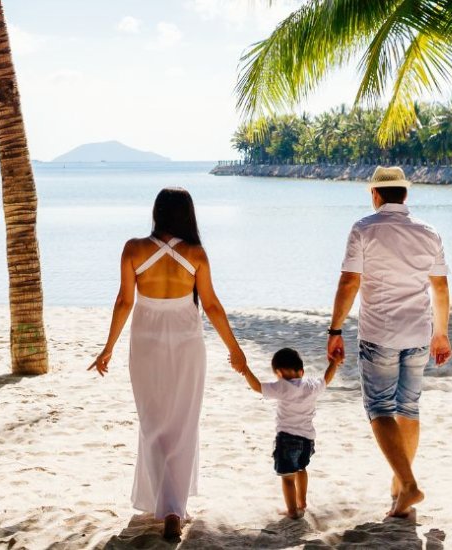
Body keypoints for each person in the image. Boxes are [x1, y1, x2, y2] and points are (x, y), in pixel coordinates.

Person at [90, 187, 248, 543]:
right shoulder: (196, 254)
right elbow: (212, 306)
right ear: (187, 215)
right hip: (187, 343)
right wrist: (235, 349)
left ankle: (168, 504)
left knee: (152, 422)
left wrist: (108, 347)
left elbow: (124, 302)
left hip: (145, 343)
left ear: (157, 212)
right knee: (183, 422)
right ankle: (173, 509)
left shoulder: (133, 249)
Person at [324, 167, 452, 519]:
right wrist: (441, 333)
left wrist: (335, 330)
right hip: (418, 334)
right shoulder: (429, 232)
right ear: (405, 195)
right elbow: (440, 288)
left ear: (375, 194)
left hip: (379, 334)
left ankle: (408, 484)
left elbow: (349, 282)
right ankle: (400, 487)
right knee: (408, 408)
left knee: (379, 408)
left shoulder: (363, 229)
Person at [231, 347, 340, 519]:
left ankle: (292, 511)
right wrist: (334, 363)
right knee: (302, 469)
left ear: (279, 373)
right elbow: (327, 379)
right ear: (301, 371)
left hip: (287, 440)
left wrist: (245, 370)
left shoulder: (282, 387)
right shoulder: (311, 386)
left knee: (288, 478)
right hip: (308, 440)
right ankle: (301, 503)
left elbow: (257, 387)